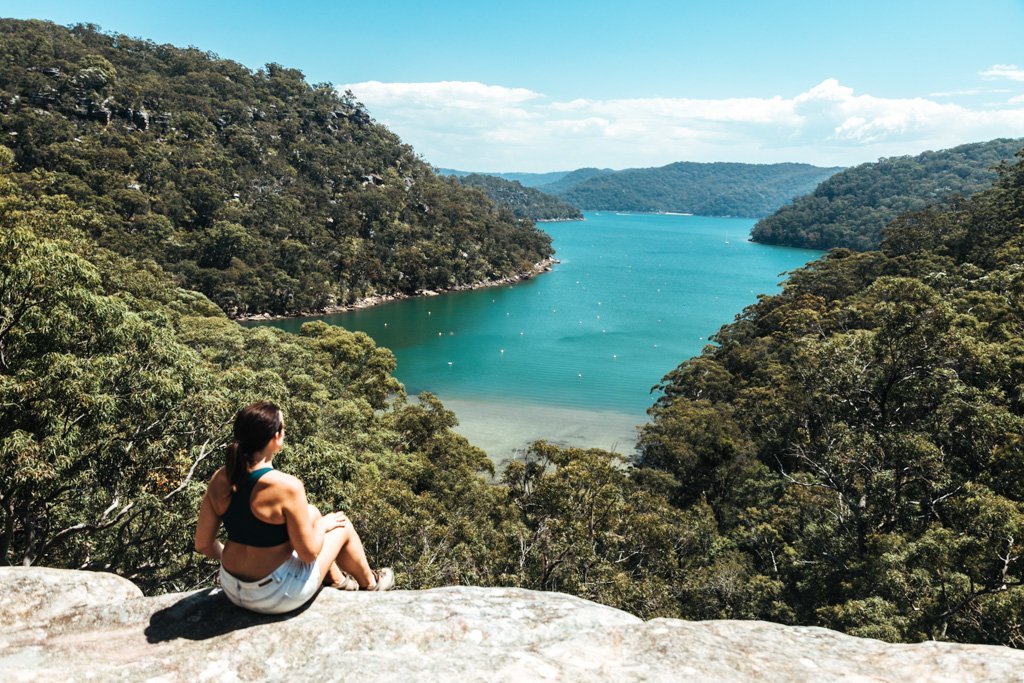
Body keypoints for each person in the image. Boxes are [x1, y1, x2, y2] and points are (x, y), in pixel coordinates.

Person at [194, 400, 394, 614]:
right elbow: (308, 555)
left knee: (312, 512)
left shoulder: (221, 478)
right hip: (274, 594)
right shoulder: (287, 486)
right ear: (275, 438)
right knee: (341, 525)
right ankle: (371, 584)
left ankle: (337, 580)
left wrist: (235, 558)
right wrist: (322, 527)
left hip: (232, 587)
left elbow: (203, 544)